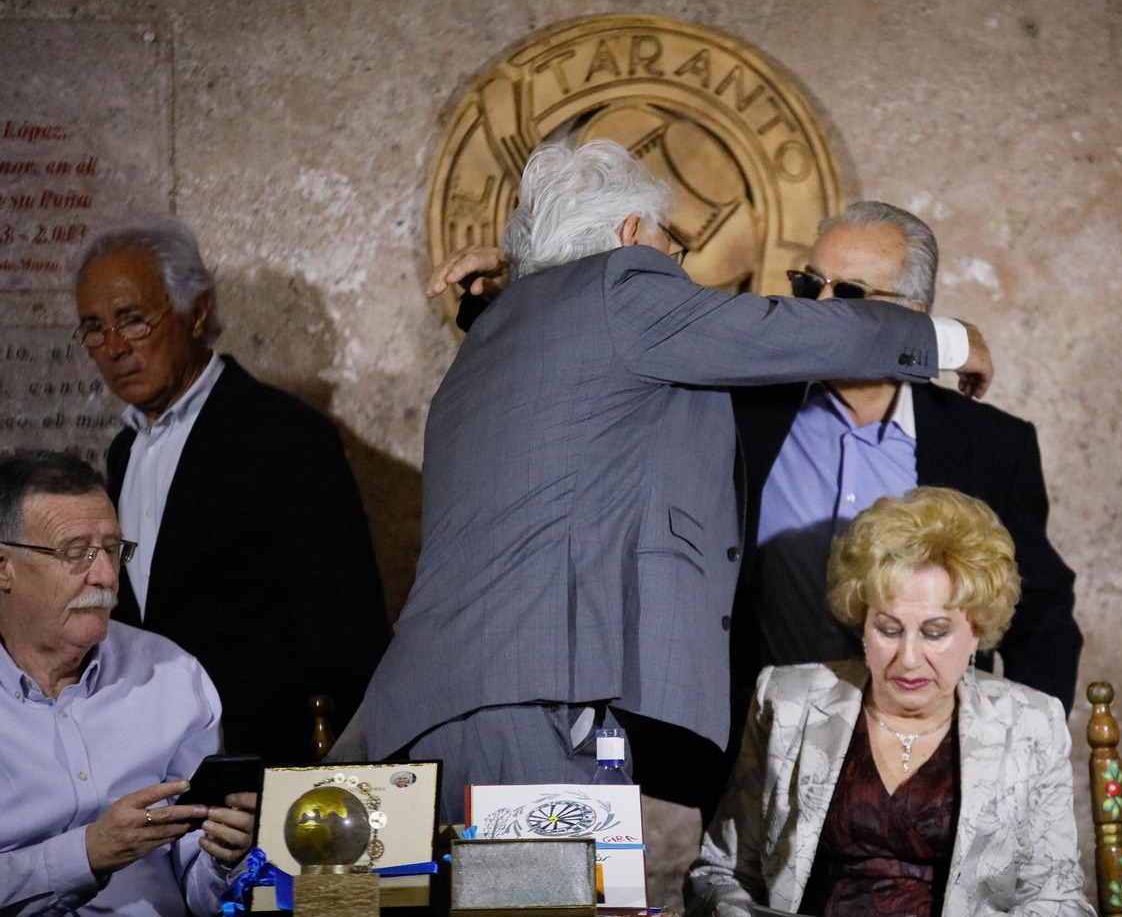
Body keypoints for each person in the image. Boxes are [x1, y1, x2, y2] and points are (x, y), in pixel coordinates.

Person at [339, 139, 994, 822]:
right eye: (667, 240)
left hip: (419, 706)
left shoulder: (494, 334)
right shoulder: (625, 289)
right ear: (628, 235)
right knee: (542, 905)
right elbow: (775, 331)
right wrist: (950, 340)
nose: (676, 262)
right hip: (535, 697)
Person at [731, 201, 1082, 717]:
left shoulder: (991, 446)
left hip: (930, 765)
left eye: (849, 293)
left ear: (913, 317)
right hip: (758, 754)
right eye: (809, 286)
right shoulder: (740, 416)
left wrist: (1022, 750)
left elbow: (1041, 617)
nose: (819, 308)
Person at [684, 487, 1094, 917]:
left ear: (977, 630)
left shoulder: (1030, 724)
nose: (909, 659)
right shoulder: (787, 704)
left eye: (935, 632)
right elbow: (719, 873)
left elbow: (1060, 902)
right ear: (862, 621)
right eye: (888, 629)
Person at [73, 218, 390, 762]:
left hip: (262, 760)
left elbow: (343, 630)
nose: (114, 347)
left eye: (132, 320)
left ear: (196, 313)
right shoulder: (123, 452)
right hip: (148, 762)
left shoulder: (285, 436)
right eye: (94, 328)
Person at [0, 450, 257, 917]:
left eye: (114, 551)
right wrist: (86, 855)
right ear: (3, 567)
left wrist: (225, 859)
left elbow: (202, 894)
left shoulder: (172, 676)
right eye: (75, 553)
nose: (105, 577)